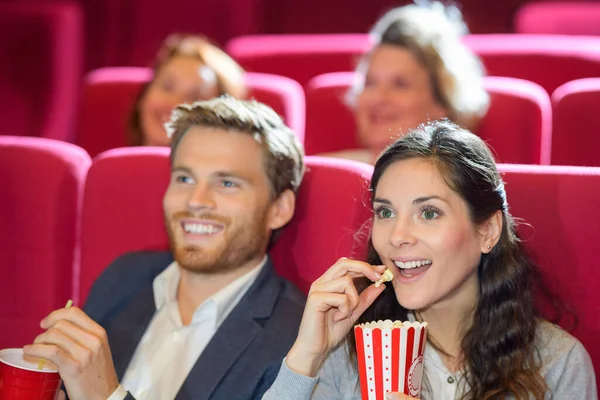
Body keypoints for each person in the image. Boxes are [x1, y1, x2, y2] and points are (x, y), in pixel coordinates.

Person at [264, 120, 597, 399]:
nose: (398, 236)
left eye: (429, 213)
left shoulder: (556, 363)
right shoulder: (347, 350)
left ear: (488, 231)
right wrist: (307, 355)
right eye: (385, 212)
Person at [24, 96, 306, 400]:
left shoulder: (299, 341)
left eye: (226, 184)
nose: (196, 200)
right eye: (184, 178)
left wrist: (106, 396)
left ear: (280, 208)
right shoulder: (124, 277)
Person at [321, 1, 489, 164]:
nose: (378, 97)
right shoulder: (322, 173)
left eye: (400, 84)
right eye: (370, 83)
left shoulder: (468, 186)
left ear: (443, 103)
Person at [129, 34, 247, 147]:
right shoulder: (112, 164)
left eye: (195, 97)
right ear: (143, 96)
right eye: (167, 87)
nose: (174, 104)